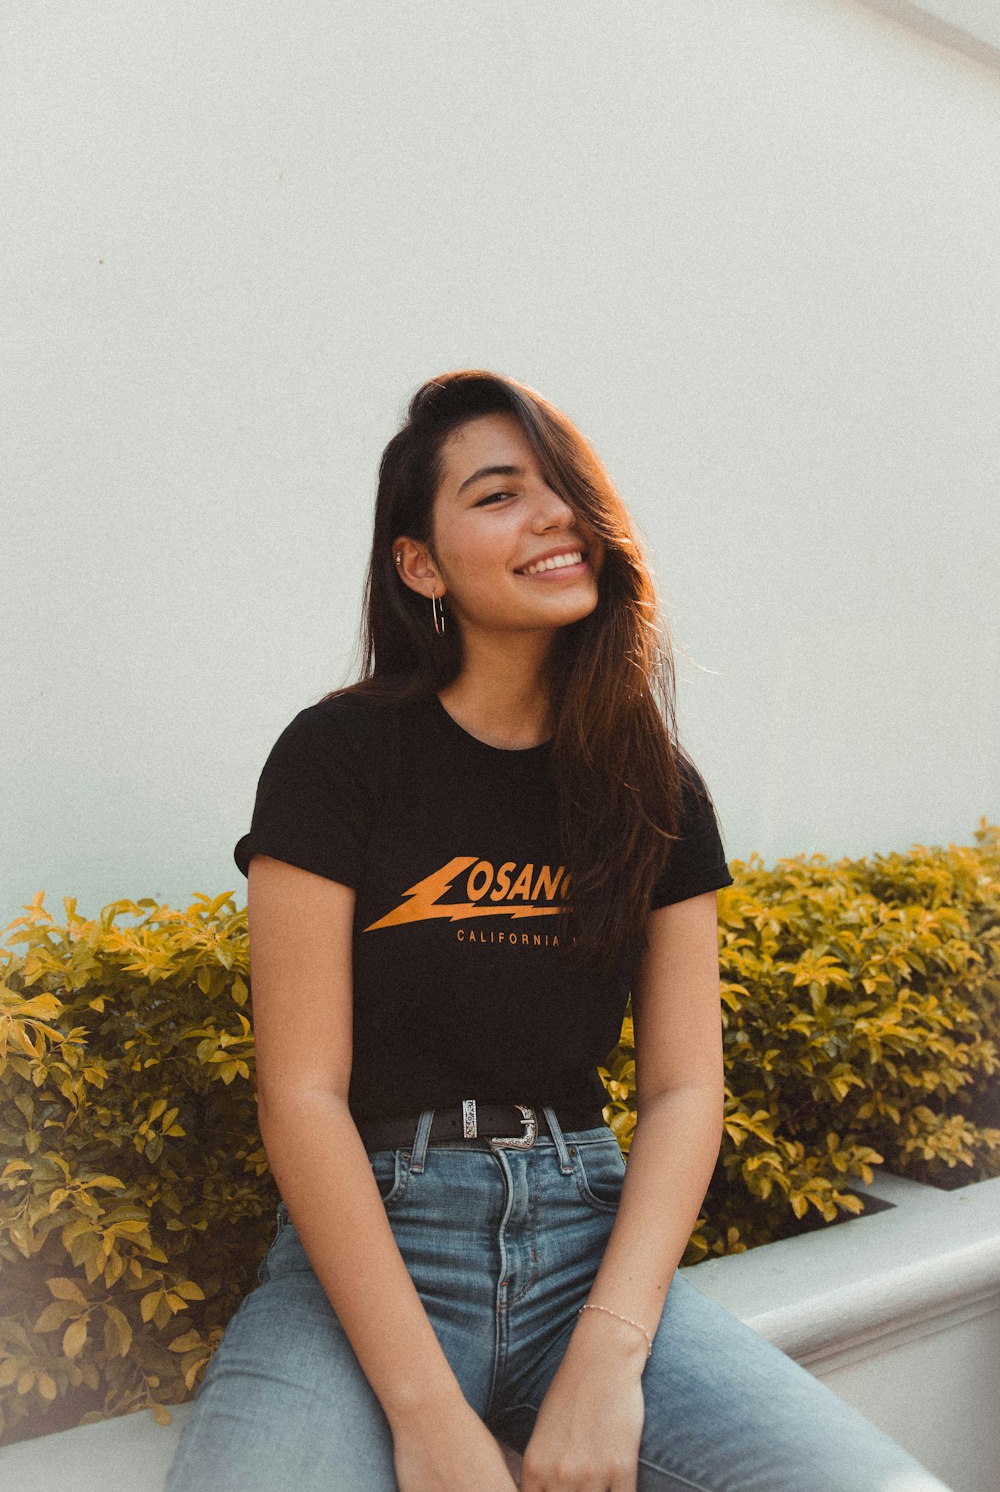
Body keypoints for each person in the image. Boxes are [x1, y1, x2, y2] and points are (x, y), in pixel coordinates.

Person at [165, 371, 951, 1492]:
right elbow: (300, 1092)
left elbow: (684, 1092)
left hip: (588, 1249)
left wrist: (608, 1360)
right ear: (419, 565)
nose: (552, 517)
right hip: (373, 1265)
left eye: (565, 489)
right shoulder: (338, 757)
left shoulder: (655, 787)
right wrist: (427, 1414)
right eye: (496, 495)